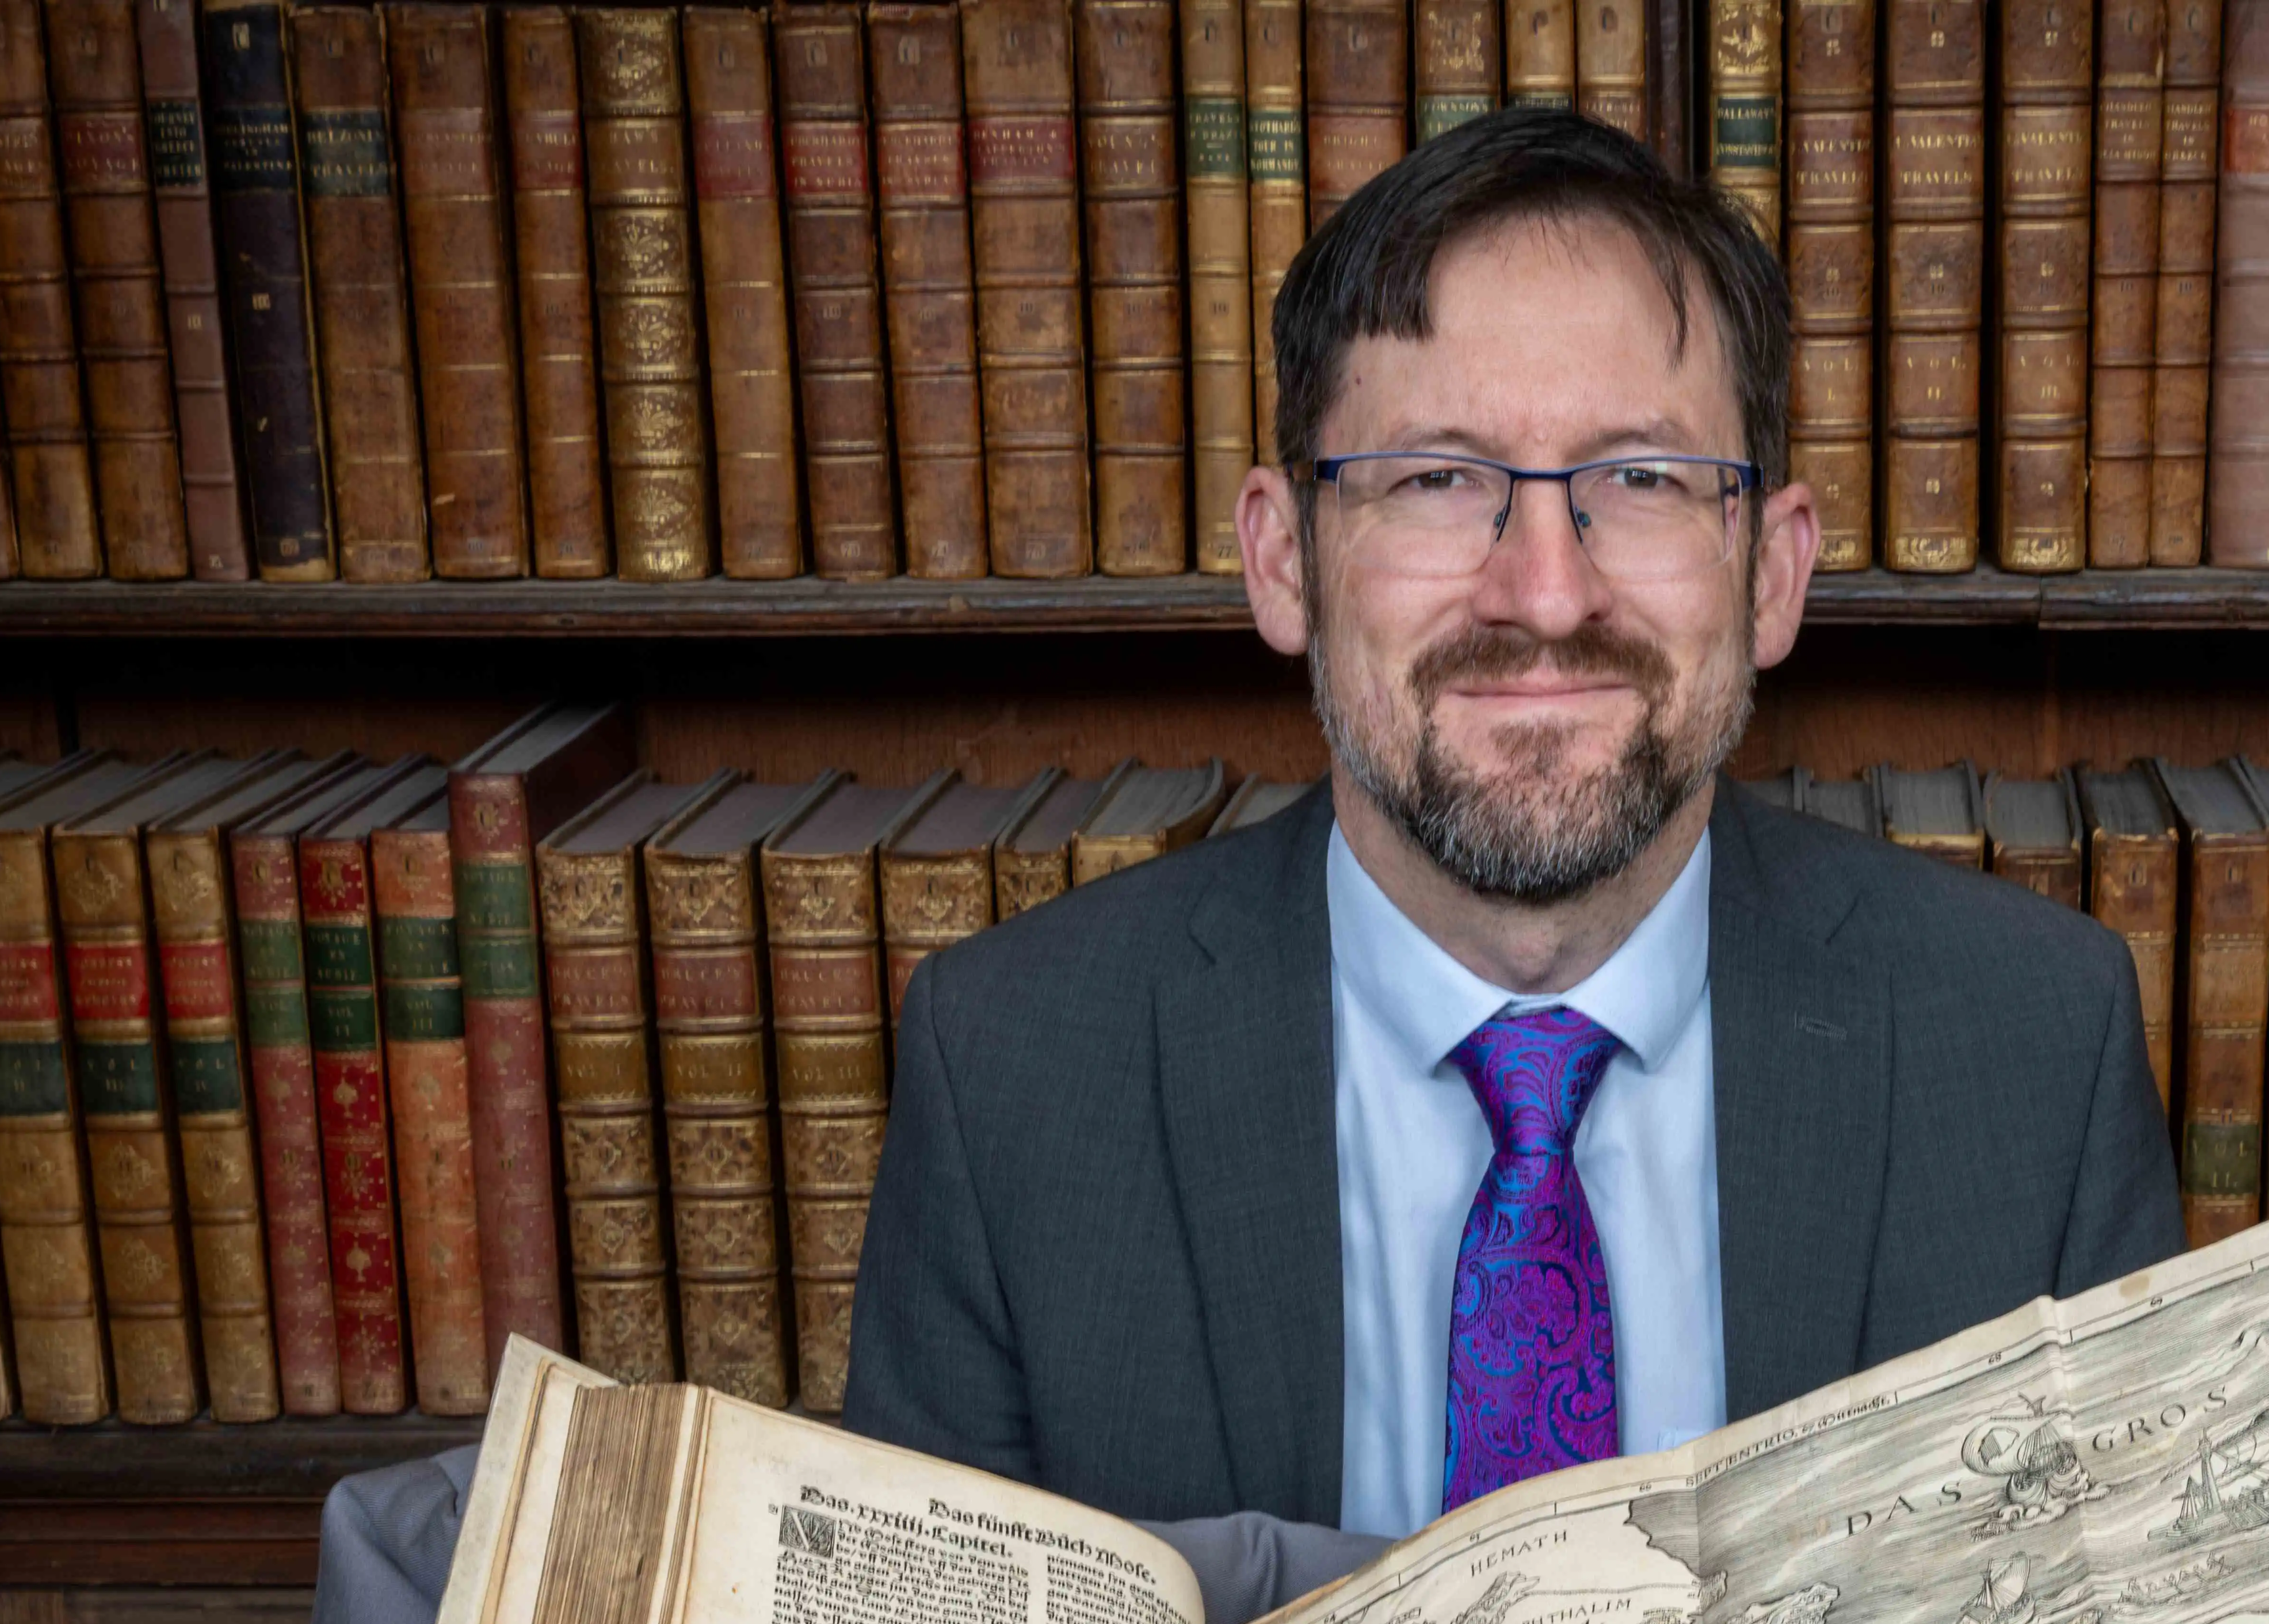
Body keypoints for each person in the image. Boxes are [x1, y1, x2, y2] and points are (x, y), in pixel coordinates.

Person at [843, 107, 2181, 1531]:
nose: (1545, 595)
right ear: (1284, 560)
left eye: (1642, 480)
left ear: (1773, 575)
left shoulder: (2039, 1050)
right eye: (1436, 479)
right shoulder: (1009, 1080)